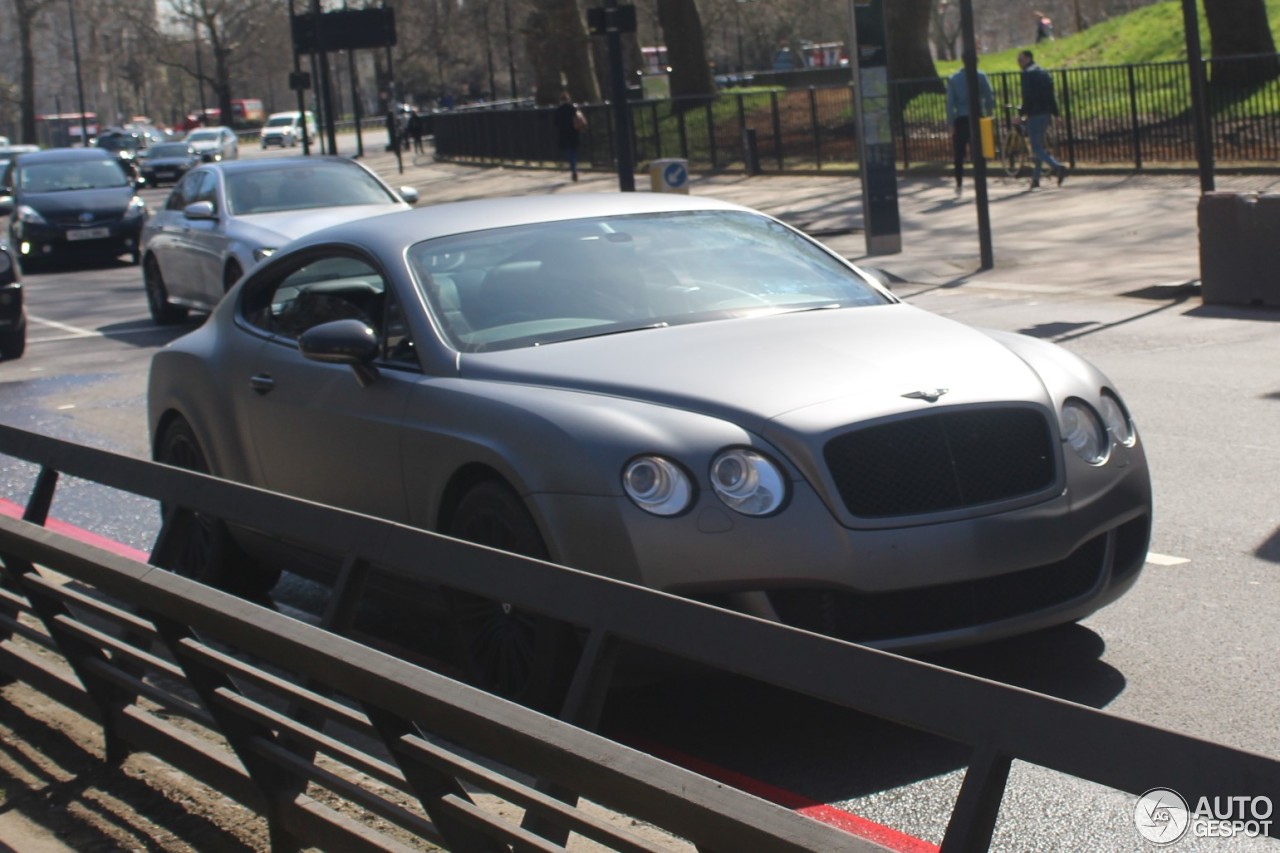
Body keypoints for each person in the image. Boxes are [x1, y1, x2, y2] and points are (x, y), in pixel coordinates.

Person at [1018, 50, 1067, 189]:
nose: (1019, 63)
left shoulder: (1027, 75)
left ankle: (1057, 167)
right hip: (1046, 113)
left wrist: (1021, 113)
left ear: (1027, 59)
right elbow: (1051, 95)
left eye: (1021, 60)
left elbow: (1027, 96)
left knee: (1036, 147)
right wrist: (1056, 114)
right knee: (1038, 145)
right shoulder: (1043, 73)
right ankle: (1035, 179)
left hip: (1034, 114)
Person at [944, 64, 994, 198]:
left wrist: (950, 122)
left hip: (961, 119)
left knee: (959, 152)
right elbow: (989, 97)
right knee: (978, 151)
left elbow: (950, 103)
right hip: (978, 116)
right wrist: (989, 113)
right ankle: (980, 179)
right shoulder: (981, 76)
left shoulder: (953, 79)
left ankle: (959, 182)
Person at [553, 91, 583, 182]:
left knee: (568, 152)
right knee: (573, 151)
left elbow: (556, 123)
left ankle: (573, 168)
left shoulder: (559, 110)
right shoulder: (573, 108)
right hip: (574, 132)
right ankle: (574, 168)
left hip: (563, 133)